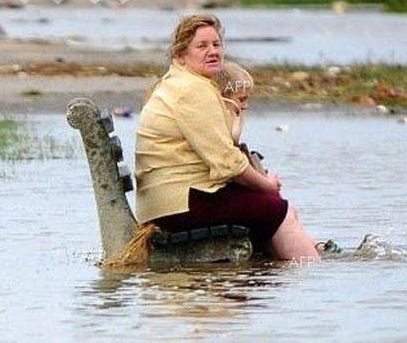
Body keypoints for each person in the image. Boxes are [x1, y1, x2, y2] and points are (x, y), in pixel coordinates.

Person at [134, 14, 319, 260]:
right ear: (180, 54)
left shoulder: (178, 83)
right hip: (180, 204)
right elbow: (227, 162)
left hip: (165, 201)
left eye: (216, 44)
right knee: (277, 209)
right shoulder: (192, 91)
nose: (212, 51)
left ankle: (284, 272)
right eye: (202, 46)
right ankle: (311, 274)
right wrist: (268, 186)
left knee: (276, 209)